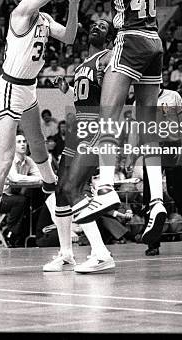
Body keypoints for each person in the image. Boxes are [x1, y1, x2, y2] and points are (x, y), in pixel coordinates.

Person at [37, 0, 166, 245]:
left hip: (131, 42)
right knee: (147, 126)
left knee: (109, 117)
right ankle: (155, 200)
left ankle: (107, 187)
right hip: (156, 43)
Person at [0, 0, 96, 255]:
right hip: (7, 88)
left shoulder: (43, 17)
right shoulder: (23, 10)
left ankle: (54, 197)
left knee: (40, 150)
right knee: (4, 159)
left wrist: (74, 5)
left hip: (28, 90)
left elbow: (71, 37)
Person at [43, 19, 116, 273]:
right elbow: (85, 91)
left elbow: (113, 95)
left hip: (94, 127)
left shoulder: (109, 58)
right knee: (60, 191)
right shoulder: (83, 64)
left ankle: (100, 252)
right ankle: (66, 254)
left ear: (109, 38)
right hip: (76, 130)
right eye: (94, 24)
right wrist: (68, 86)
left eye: (103, 27)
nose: (96, 27)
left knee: (74, 187)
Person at [141, 84, 182, 256]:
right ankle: (153, 244)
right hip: (152, 147)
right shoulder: (140, 99)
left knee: (178, 194)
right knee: (149, 196)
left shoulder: (173, 95)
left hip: (172, 146)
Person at [0, 134, 42, 247]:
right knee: (21, 201)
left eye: (24, 141)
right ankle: (10, 232)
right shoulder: (9, 160)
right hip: (0, 198)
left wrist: (38, 178)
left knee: (34, 200)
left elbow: (40, 176)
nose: (23, 144)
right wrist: (36, 179)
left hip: (14, 196)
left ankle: (27, 235)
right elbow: (15, 178)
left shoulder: (28, 160)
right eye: (18, 142)